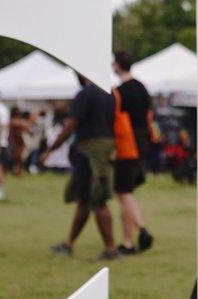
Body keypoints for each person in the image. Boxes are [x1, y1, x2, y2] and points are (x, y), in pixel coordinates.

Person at [42, 73, 119, 261]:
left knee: (98, 200)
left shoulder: (85, 94)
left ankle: (111, 250)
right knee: (84, 200)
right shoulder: (109, 93)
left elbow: (71, 125)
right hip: (101, 152)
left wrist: (50, 149)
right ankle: (68, 244)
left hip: (90, 153)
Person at [111, 50, 154, 255]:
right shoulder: (142, 88)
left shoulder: (119, 91)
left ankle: (142, 230)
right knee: (125, 192)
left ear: (117, 65)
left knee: (123, 192)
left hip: (127, 145)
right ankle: (127, 242)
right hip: (143, 142)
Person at [8, 107, 28, 176]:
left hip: (20, 141)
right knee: (17, 158)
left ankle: (19, 171)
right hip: (15, 141)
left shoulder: (17, 121)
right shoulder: (13, 121)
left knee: (20, 158)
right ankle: (17, 172)